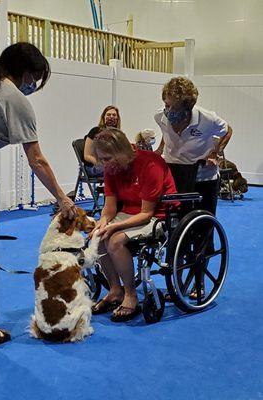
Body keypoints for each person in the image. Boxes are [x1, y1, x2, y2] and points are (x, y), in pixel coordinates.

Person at [0, 42, 77, 350]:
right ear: (26, 73)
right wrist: (63, 198)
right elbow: (37, 159)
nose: (34, 85)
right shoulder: (14, 97)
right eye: (35, 78)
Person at [154, 76, 232, 298]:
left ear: (187, 105)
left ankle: (199, 283)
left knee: (200, 231)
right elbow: (165, 135)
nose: (168, 110)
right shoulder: (161, 117)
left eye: (173, 106)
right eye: (166, 104)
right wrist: (160, 150)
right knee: (175, 229)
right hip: (174, 175)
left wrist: (215, 152)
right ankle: (179, 283)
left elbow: (227, 130)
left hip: (203, 178)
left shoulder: (207, 119)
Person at [90, 127, 177, 322]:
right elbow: (110, 208)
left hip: (157, 215)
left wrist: (113, 227)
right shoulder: (112, 167)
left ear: (121, 152)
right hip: (127, 212)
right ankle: (115, 290)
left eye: (107, 159)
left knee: (115, 241)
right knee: (99, 237)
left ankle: (130, 294)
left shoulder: (150, 164)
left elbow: (146, 214)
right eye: (102, 159)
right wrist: (103, 222)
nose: (104, 164)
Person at [83, 105, 121, 176]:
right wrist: (100, 163)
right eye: (109, 114)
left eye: (114, 115)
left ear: (117, 118)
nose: (111, 117)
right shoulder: (95, 131)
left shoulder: (118, 134)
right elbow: (87, 155)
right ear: (104, 117)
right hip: (93, 166)